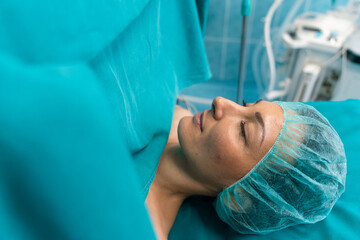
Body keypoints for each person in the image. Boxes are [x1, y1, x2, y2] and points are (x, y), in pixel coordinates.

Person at [145, 97, 346, 240]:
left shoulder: (141, 228)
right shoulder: (174, 106)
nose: (220, 101)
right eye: (244, 105)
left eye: (243, 130)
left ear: (241, 198)